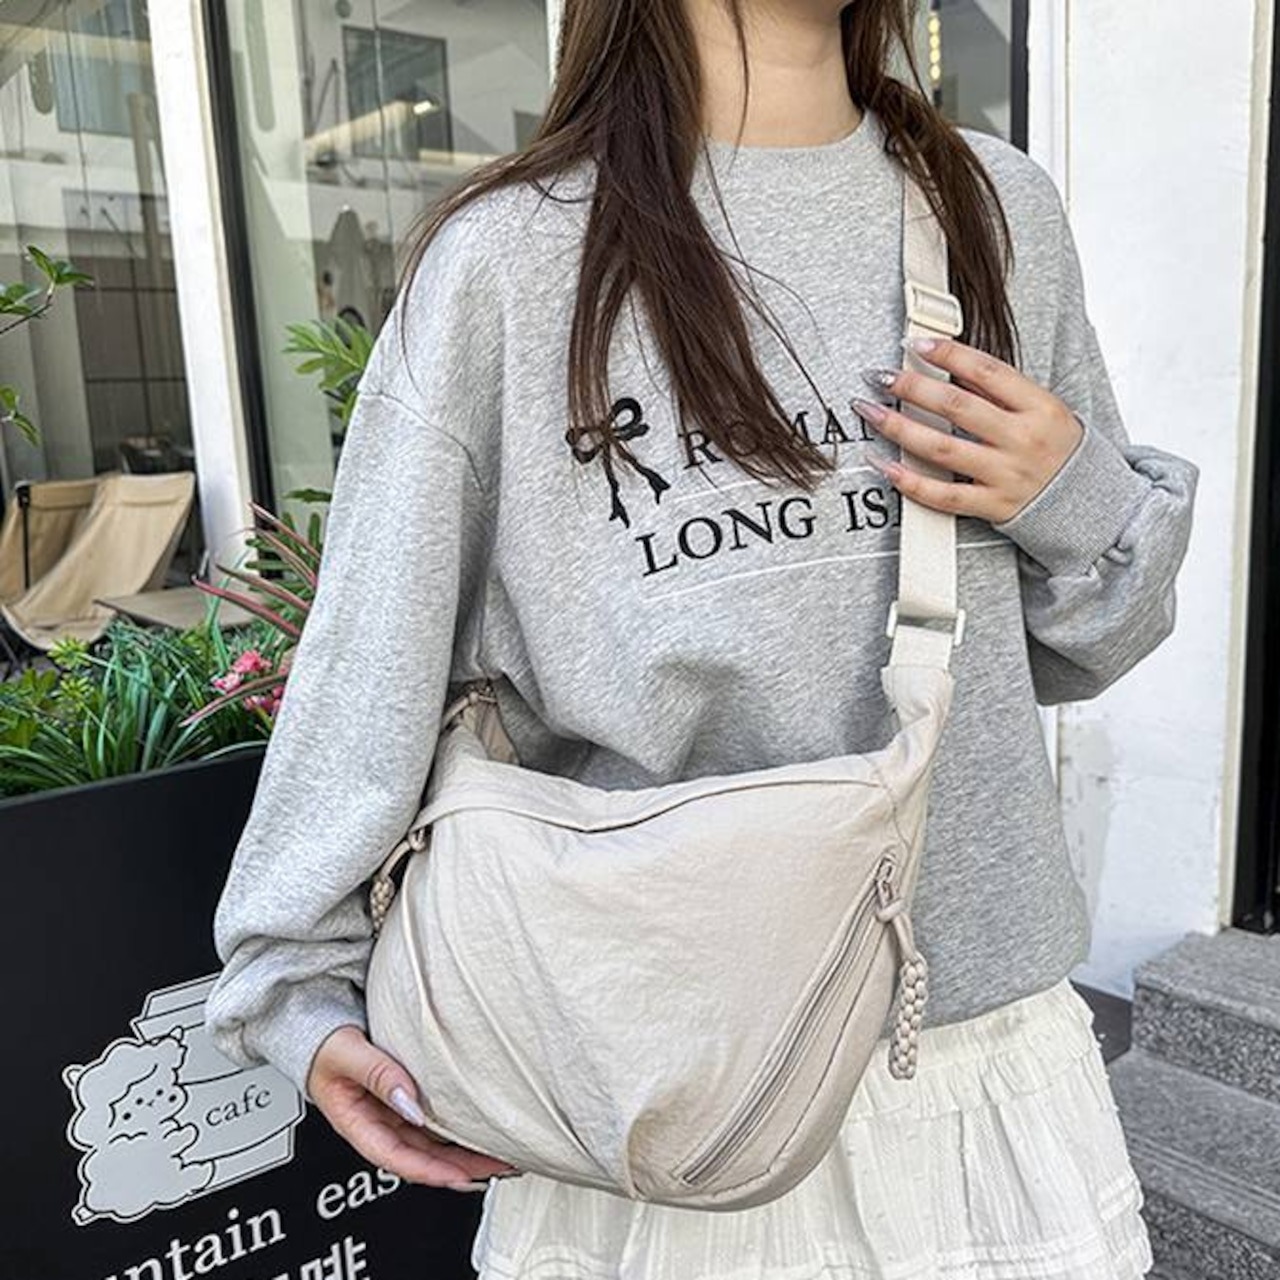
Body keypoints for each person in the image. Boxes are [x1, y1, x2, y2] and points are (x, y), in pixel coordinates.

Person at [204, 0, 1199, 1275]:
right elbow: (372, 655)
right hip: (649, 1062)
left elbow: (1084, 646)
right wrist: (290, 978)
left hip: (966, 1054)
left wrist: (1072, 494)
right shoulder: (509, 257)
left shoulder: (990, 207)